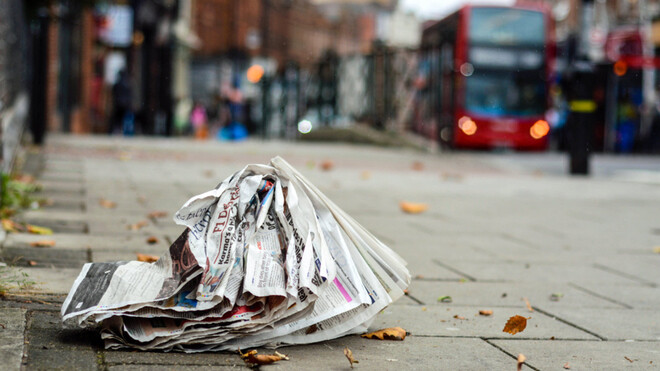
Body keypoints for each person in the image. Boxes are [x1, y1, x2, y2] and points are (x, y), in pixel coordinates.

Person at [110, 69, 133, 134]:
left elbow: (114, 92)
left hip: (118, 104)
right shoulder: (127, 84)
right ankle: (122, 130)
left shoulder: (117, 84)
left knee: (117, 119)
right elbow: (129, 95)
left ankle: (117, 130)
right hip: (125, 104)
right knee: (123, 119)